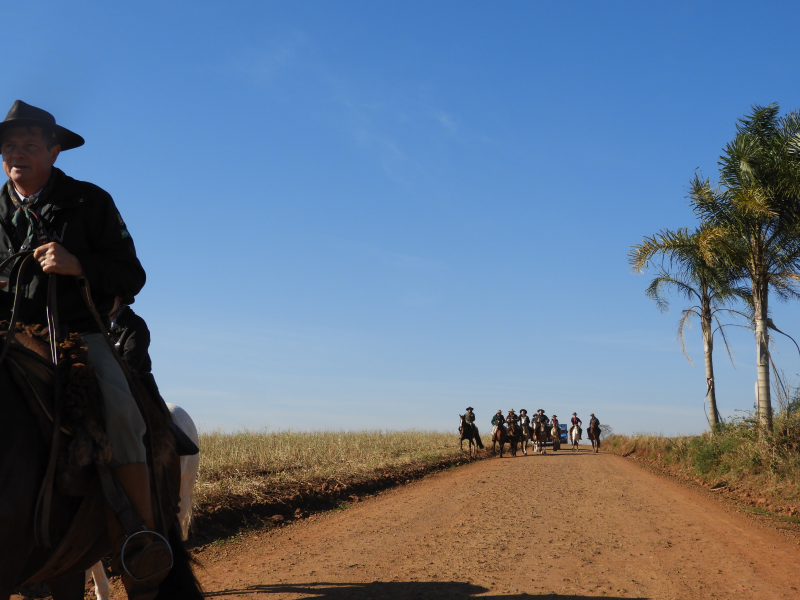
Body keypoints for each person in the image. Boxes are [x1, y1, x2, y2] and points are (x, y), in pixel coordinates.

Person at [0, 101, 169, 598]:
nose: (17, 154)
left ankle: (142, 536)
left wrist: (79, 265)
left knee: (121, 411)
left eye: (30, 145)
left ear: (54, 151)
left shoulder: (91, 202)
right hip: (7, 335)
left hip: (77, 335)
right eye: (9, 146)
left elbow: (132, 275)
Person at [109, 296, 198, 455]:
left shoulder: (136, 324)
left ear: (119, 298)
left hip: (135, 381)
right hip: (103, 378)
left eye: (106, 297)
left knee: (158, 420)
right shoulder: (92, 325)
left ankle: (172, 443)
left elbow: (131, 361)